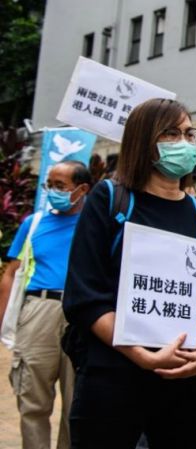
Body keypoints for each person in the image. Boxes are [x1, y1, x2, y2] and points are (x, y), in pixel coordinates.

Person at [63, 98, 196, 448]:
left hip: (184, 381)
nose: (184, 143)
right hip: (111, 377)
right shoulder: (109, 199)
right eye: (171, 134)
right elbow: (83, 297)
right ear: (143, 139)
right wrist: (143, 356)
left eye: (189, 134)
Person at [0, 160, 91, 449]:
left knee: (77, 403)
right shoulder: (33, 223)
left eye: (60, 186)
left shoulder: (96, 223)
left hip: (81, 313)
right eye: (49, 185)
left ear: (82, 189)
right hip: (38, 311)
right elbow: (12, 272)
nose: (53, 191)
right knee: (32, 399)